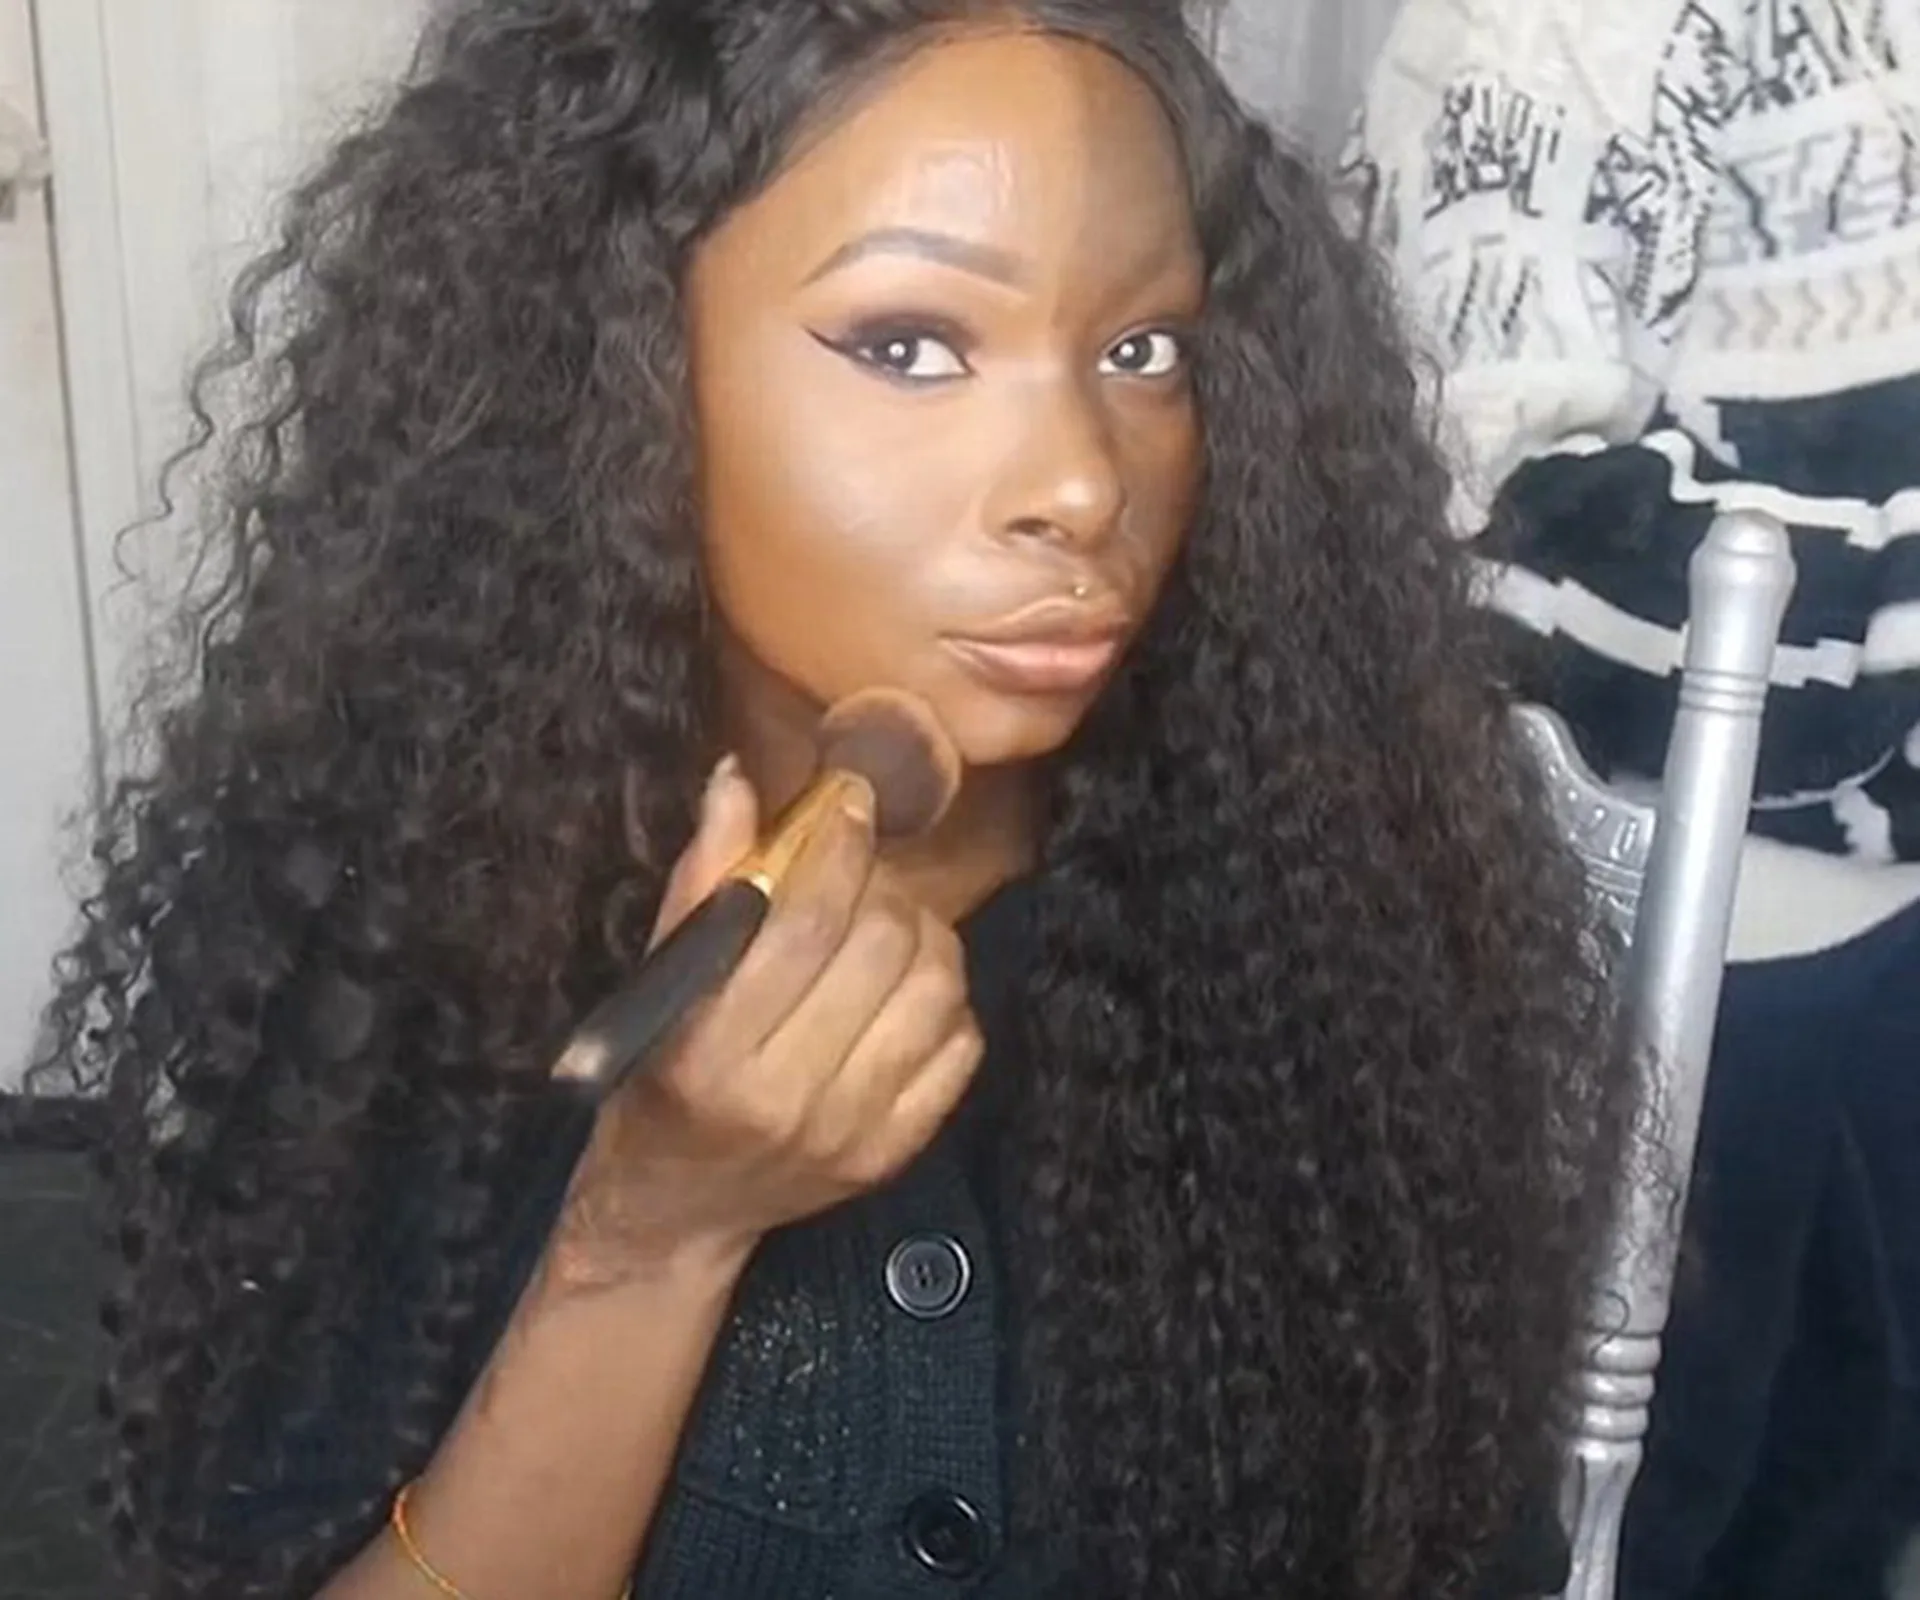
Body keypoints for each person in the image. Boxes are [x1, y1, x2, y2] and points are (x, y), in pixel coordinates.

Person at [33, 3, 1634, 1597]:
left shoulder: (1324, 922)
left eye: (1143, 352)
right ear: (622, 362)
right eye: (910, 345)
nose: (1084, 479)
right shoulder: (413, 936)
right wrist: (647, 1238)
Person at [1343, 0, 1920, 1594]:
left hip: (1880, 899)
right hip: (1683, 909)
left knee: (1862, 1435)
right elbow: (1471, 467)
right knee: (1654, 1478)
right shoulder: (1543, 31)